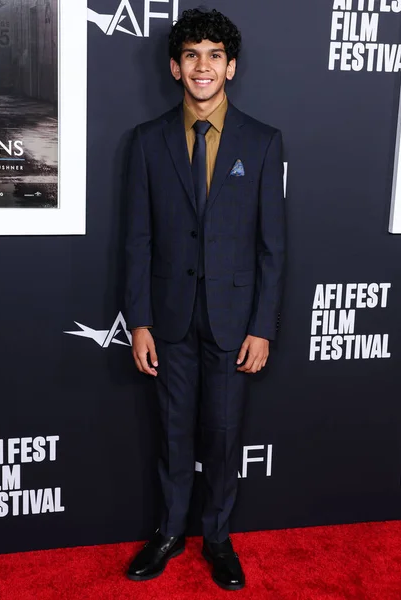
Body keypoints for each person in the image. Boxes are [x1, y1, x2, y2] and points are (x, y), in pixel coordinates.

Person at [124, 7, 286, 591]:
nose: (202, 66)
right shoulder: (145, 143)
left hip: (233, 320)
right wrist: (138, 321)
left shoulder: (264, 144)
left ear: (231, 67)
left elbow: (273, 247)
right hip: (168, 321)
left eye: (214, 55)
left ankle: (216, 537)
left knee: (221, 435)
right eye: (191, 54)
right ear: (174, 66)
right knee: (172, 433)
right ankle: (169, 532)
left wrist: (263, 326)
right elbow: (137, 240)